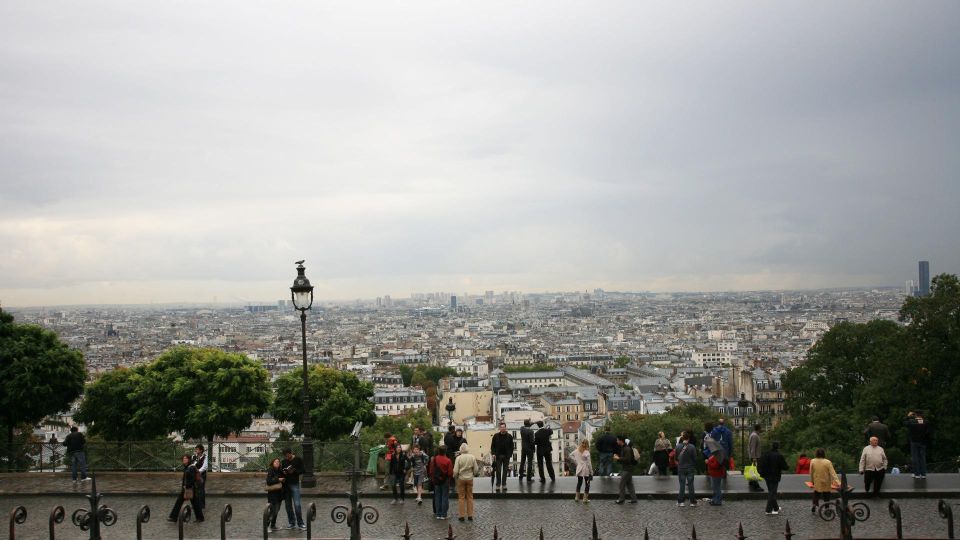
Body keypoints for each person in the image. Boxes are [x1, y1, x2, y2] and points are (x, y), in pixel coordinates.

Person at [168, 454, 204, 522]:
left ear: (189, 460)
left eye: (185, 459)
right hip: (187, 488)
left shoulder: (191, 467)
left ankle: (173, 517)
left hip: (190, 488)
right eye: (183, 459)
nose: (184, 460)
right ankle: (173, 517)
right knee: (182, 502)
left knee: (194, 503)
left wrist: (186, 486)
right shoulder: (187, 467)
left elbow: (192, 479)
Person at [757, 441, 789, 515]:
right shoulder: (779, 455)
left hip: (766, 476)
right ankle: (768, 510)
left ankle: (776, 508)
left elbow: (760, 463)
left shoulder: (766, 454)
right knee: (772, 492)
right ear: (778, 447)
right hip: (775, 477)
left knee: (771, 491)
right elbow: (785, 466)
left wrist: (761, 473)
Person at [452, 443, 479, 522]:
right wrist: (473, 474)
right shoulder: (472, 457)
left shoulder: (458, 458)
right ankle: (470, 515)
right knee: (470, 497)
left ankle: (461, 515)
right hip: (470, 478)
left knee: (461, 497)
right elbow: (476, 469)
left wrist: (455, 476)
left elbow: (456, 470)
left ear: (460, 450)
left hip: (461, 478)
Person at [281, 448, 306, 530]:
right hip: (286, 485)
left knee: (297, 504)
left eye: (287, 455)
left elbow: (303, 470)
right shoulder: (284, 461)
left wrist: (294, 471)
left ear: (291, 453)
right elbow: (282, 472)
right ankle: (291, 522)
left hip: (294, 484)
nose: (286, 457)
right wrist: (284, 472)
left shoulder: (298, 459)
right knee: (288, 506)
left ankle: (300, 523)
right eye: (285, 456)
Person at [809, 448, 839, 512]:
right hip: (826, 481)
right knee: (826, 494)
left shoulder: (813, 461)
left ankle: (814, 504)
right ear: (823, 454)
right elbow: (833, 473)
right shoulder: (828, 462)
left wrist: (812, 481)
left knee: (816, 493)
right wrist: (838, 482)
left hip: (817, 480)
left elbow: (811, 472)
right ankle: (826, 507)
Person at [429, 444, 453, 520]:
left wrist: (433, 479)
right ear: (445, 451)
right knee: (444, 497)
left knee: (437, 497)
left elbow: (431, 471)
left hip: (436, 480)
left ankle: (438, 514)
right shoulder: (448, 460)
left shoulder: (434, 459)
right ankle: (443, 514)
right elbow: (450, 473)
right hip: (445, 481)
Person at [905, 411, 930, 479]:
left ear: (915, 415)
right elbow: (928, 432)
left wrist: (908, 416)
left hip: (914, 441)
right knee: (922, 458)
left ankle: (917, 474)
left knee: (915, 457)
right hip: (923, 442)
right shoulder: (926, 422)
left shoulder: (911, 421)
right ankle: (923, 473)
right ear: (922, 415)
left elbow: (905, 423)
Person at [612, 435, 637, 504]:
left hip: (627, 468)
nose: (616, 441)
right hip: (627, 468)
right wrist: (618, 458)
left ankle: (621, 499)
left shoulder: (626, 448)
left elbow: (627, 459)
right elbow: (624, 459)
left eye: (617, 440)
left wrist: (618, 458)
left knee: (621, 484)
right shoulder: (624, 448)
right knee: (629, 484)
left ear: (621, 441)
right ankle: (634, 498)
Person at [676, 431, 698, 507]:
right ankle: (692, 502)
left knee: (682, 485)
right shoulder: (692, 447)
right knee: (691, 485)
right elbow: (695, 458)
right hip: (690, 467)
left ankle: (681, 501)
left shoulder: (678, 446)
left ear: (682, 438)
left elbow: (676, 458)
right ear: (688, 438)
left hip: (681, 467)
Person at [490, 422, 514, 492]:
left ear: (505, 428)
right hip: (498, 456)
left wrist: (509, 455)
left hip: (506, 456)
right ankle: (498, 484)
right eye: (501, 427)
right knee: (498, 471)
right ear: (499, 428)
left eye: (504, 427)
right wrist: (493, 453)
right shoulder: (495, 436)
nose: (503, 428)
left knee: (505, 471)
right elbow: (492, 446)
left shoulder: (509, 436)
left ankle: (504, 484)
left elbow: (511, 446)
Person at [265, 457, 286, 531]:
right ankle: (267, 526)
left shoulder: (280, 471)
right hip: (272, 495)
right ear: (272, 463)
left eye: (278, 462)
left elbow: (283, 479)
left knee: (276, 511)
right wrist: (278, 479)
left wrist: (284, 477)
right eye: (275, 462)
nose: (277, 463)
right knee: (272, 511)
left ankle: (273, 526)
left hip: (279, 494)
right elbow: (269, 481)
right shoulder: (271, 470)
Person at [748, 424, 763, 492]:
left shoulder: (754, 435)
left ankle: (751, 482)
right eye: (761, 428)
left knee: (753, 470)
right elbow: (753, 447)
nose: (761, 429)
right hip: (755, 456)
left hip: (755, 456)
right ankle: (756, 486)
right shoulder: (754, 436)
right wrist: (754, 457)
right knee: (756, 471)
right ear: (758, 428)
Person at [193, 444, 208, 510]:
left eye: (197, 449)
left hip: (201, 474)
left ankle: (202, 504)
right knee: (195, 489)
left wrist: (198, 471)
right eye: (196, 449)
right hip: (194, 474)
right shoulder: (194, 457)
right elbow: (192, 464)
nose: (196, 450)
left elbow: (205, 467)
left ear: (201, 450)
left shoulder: (205, 457)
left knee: (201, 489)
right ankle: (196, 504)